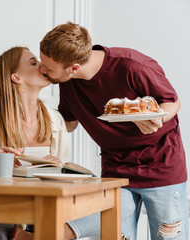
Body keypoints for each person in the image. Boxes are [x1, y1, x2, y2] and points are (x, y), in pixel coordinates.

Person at [35, 21, 188, 240]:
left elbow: (172, 102)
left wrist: (157, 118)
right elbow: (68, 123)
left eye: (48, 68)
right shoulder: (68, 81)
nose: (42, 69)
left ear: (74, 67)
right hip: (116, 171)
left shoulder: (132, 66)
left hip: (160, 166)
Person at [0, 46, 73, 240]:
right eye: (33, 63)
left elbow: (67, 180)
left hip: (44, 209)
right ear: (16, 77)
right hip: (2, 211)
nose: (43, 67)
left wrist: (58, 167)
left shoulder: (55, 120)